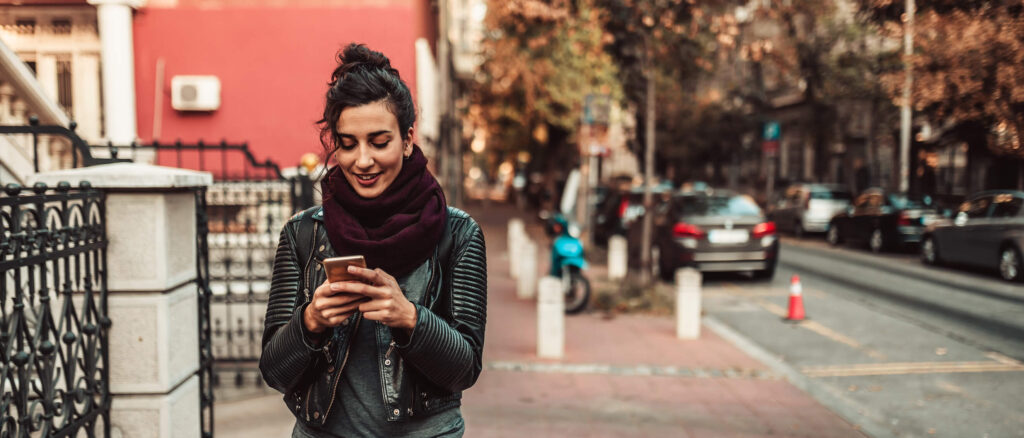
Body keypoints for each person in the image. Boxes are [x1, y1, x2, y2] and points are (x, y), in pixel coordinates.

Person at [259, 43, 487, 437]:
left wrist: (410, 318)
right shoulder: (303, 234)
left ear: (408, 138)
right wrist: (310, 321)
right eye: (347, 144)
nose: (362, 161)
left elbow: (464, 369)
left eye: (379, 142)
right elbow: (275, 371)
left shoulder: (458, 233)